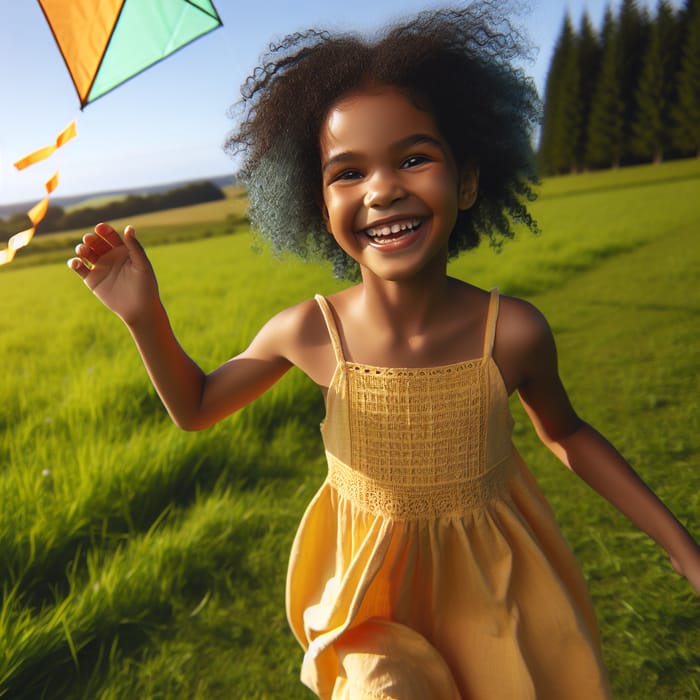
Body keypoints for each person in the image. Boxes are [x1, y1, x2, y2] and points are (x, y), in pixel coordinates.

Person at [68, 4, 699, 698]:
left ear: (467, 180)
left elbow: (568, 435)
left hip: (497, 587)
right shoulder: (309, 333)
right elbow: (194, 408)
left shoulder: (513, 333)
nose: (383, 189)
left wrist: (682, 548)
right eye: (348, 172)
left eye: (413, 157)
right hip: (368, 601)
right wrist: (143, 316)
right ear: (315, 201)